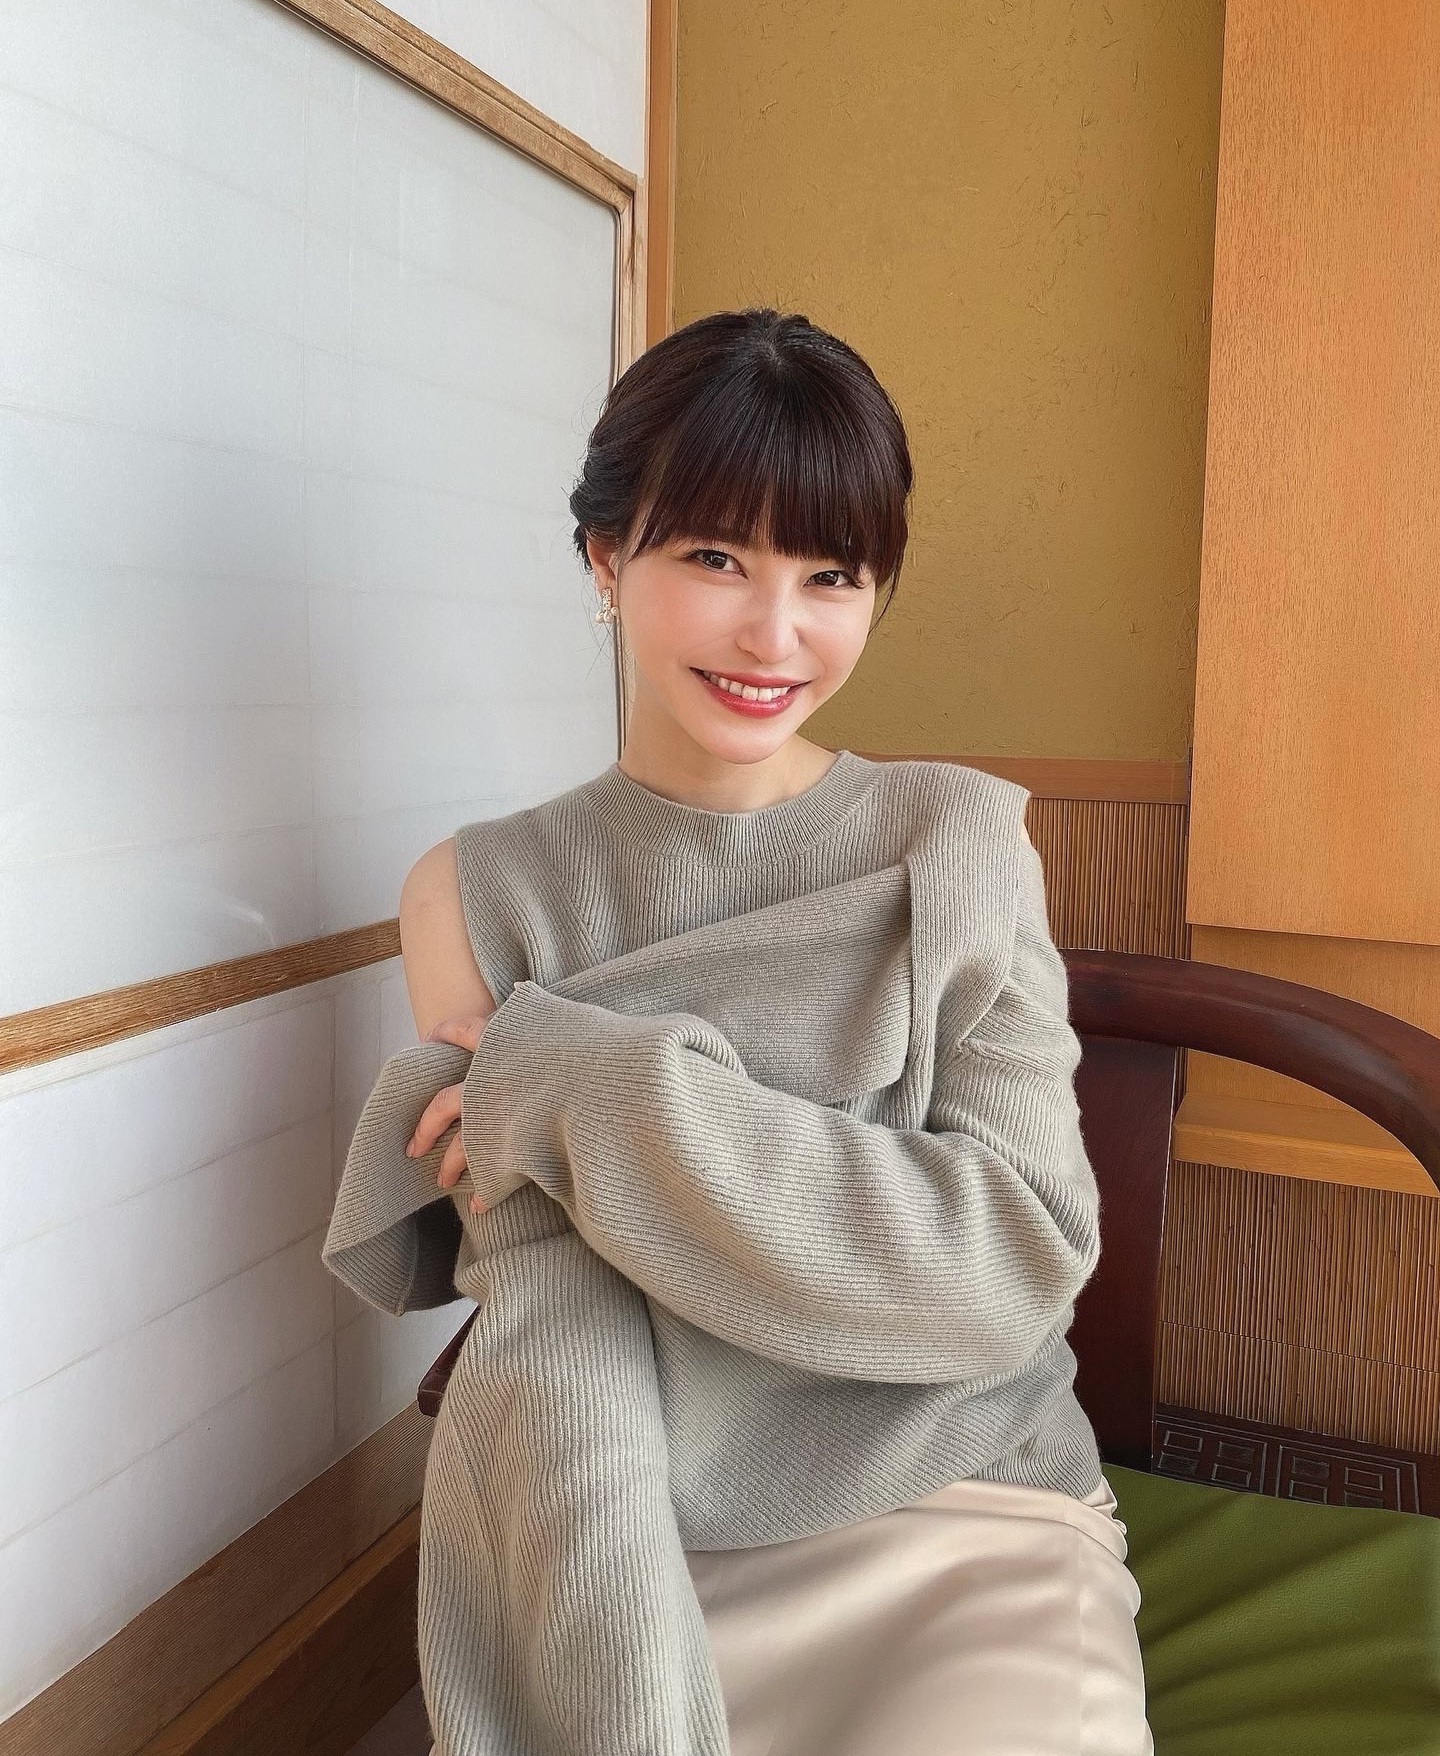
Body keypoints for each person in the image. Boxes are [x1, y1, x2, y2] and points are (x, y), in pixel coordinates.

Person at [390, 306, 1153, 1753]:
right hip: (629, 1532)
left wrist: (605, 1091)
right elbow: (551, 1307)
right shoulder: (474, 893)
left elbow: (1012, 1262)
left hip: (969, 1512)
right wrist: (622, 1676)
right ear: (605, 557)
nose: (774, 632)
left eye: (831, 575)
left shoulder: (957, 844)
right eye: (713, 558)